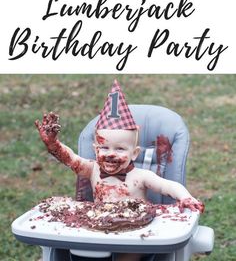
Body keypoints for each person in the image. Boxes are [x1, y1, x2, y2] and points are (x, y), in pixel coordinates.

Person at [35, 80, 204, 261]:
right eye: (104, 148)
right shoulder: (92, 169)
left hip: (135, 234)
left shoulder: (140, 176)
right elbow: (70, 159)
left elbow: (167, 186)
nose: (111, 154)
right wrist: (53, 145)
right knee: (82, 252)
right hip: (97, 229)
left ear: (135, 153)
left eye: (120, 149)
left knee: (129, 255)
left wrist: (185, 197)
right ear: (95, 149)